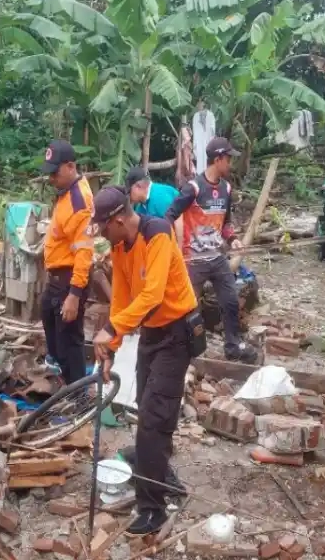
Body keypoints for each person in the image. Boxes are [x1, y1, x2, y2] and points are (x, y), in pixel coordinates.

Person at [90, 186, 199, 536]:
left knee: (154, 419)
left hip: (177, 333)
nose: (103, 235)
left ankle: (152, 508)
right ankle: (163, 475)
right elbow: (121, 299)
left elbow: (151, 296)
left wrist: (111, 329)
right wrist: (111, 346)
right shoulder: (120, 246)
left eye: (104, 228)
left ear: (119, 219)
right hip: (152, 335)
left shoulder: (158, 234)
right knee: (146, 407)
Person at [165, 137, 258, 364]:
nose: (231, 164)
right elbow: (169, 215)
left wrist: (233, 239)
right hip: (193, 260)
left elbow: (225, 223)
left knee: (230, 300)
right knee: (186, 307)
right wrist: (172, 247)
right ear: (218, 160)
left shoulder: (226, 188)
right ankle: (180, 350)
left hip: (216, 258)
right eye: (228, 159)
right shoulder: (194, 188)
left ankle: (233, 346)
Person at [40, 140, 94, 384]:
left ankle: (78, 395)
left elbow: (84, 252)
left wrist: (74, 294)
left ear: (70, 167)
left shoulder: (79, 202)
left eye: (55, 173)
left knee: (69, 342)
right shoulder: (65, 194)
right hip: (57, 279)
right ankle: (63, 381)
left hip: (69, 279)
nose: (51, 178)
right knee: (53, 336)